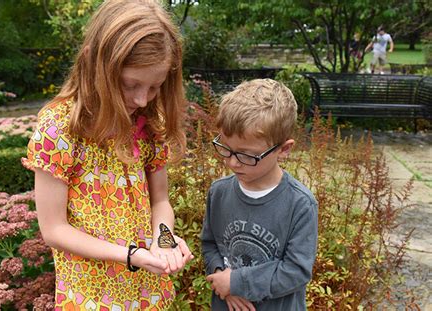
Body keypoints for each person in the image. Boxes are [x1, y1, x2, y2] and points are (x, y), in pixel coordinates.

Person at [22, 0, 193, 309]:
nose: (142, 99)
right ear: (94, 65)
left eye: (155, 86)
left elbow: (160, 201)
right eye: (130, 85)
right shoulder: (60, 129)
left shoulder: (151, 123)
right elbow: (54, 229)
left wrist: (164, 240)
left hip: (148, 292)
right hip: (91, 295)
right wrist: (129, 255)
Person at [201, 79, 318, 310]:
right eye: (226, 148)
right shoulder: (219, 193)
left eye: (247, 155)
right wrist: (222, 280)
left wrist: (236, 283)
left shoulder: (300, 205)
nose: (233, 163)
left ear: (283, 150)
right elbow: (210, 245)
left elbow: (296, 271)